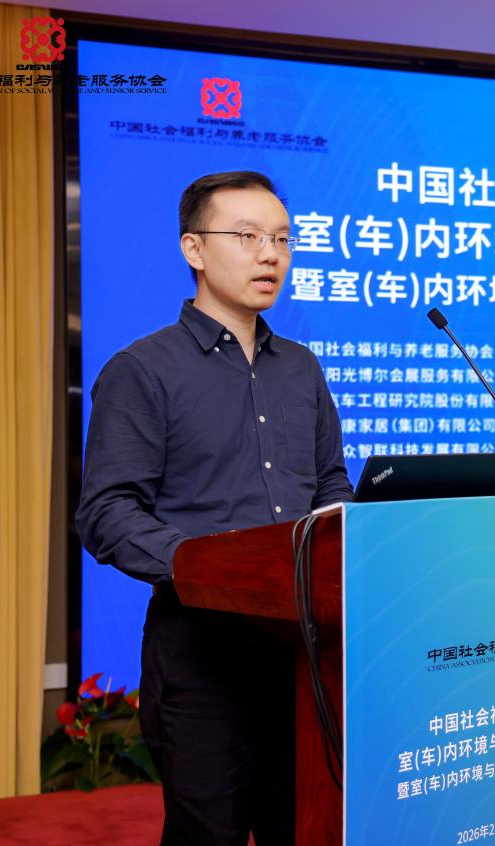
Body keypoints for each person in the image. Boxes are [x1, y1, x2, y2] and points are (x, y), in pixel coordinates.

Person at [76, 170, 353, 845]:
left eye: (282, 239)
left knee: (309, 829)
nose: (270, 255)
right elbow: (107, 510)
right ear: (194, 249)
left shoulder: (301, 369)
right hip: (203, 653)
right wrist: (211, 567)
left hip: (306, 654)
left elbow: (330, 485)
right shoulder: (143, 370)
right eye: (248, 236)